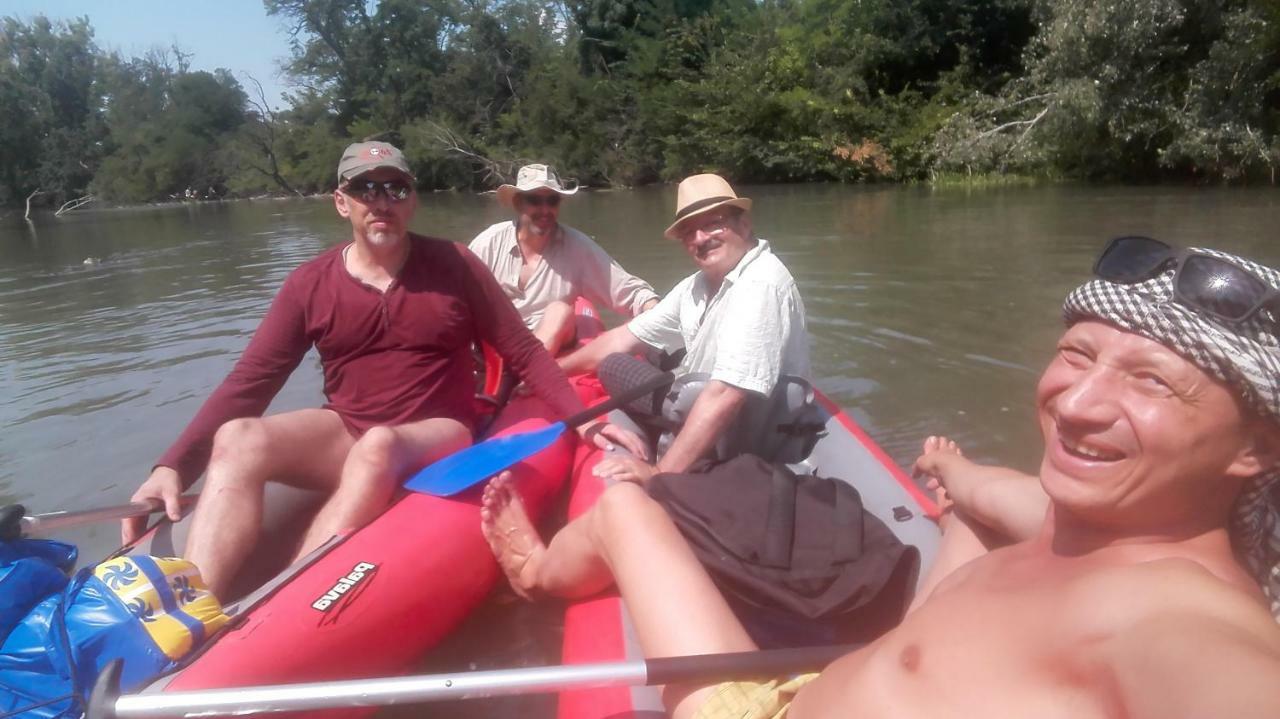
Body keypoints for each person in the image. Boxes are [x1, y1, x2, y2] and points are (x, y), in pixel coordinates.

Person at [482, 236, 1280, 718]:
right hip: (824, 681)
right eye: (1076, 354)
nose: (1075, 403)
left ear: (1258, 449)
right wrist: (952, 471)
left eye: (1151, 383)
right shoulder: (1087, 520)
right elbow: (1001, 494)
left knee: (626, 503)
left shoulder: (1186, 623)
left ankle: (531, 570)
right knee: (970, 517)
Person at [122, 141, 646, 598]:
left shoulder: (456, 264)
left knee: (379, 447)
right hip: (347, 427)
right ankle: (191, 604)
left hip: (439, 431)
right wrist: (171, 466)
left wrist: (586, 421)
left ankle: (283, 597)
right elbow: (250, 381)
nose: (381, 203)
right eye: (366, 190)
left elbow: (523, 351)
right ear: (341, 202)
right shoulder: (309, 283)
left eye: (395, 190)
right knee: (238, 437)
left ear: (412, 200)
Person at [558, 173, 811, 482]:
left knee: (613, 366)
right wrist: (553, 372)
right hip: (702, 394)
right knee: (650, 349)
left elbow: (726, 395)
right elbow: (625, 336)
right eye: (690, 232)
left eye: (713, 223)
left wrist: (659, 473)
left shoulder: (761, 284)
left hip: (740, 428)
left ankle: (671, 433)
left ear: (744, 223)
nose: (701, 238)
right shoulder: (698, 285)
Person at [468, 164, 659, 356]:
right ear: (518, 203)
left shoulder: (577, 248)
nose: (545, 210)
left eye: (552, 201)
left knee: (559, 311)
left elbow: (631, 292)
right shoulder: (489, 243)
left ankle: (525, 373)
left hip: (547, 347)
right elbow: (456, 297)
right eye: (535, 200)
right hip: (495, 343)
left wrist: (655, 311)